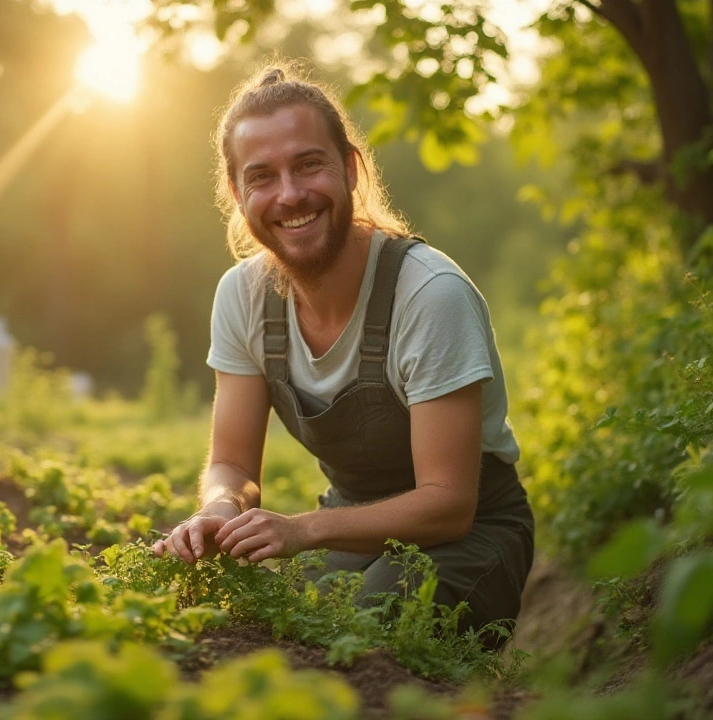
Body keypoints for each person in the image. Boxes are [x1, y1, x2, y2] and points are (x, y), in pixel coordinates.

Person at [152, 62, 534, 636]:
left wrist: (302, 531)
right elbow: (231, 464)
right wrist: (219, 509)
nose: (290, 194)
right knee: (258, 627)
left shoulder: (429, 295)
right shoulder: (242, 296)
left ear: (350, 169)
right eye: (261, 176)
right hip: (349, 522)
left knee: (364, 625)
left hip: (471, 530)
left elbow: (449, 502)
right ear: (236, 193)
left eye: (309, 165)